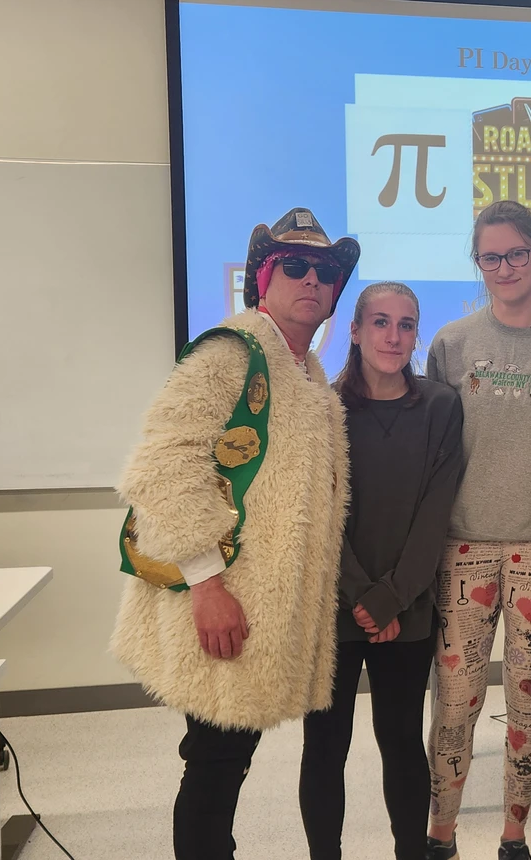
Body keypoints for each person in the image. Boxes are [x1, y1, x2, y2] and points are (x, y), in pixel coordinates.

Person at [111, 207, 356, 860]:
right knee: (215, 764)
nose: (312, 279)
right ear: (262, 279)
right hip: (223, 606)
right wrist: (206, 584)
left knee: (224, 763)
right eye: (295, 266)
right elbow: (160, 469)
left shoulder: (307, 376)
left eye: (325, 270)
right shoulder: (231, 352)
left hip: (262, 612)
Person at [425, 200, 531, 860]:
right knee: (455, 702)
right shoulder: (452, 344)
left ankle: (513, 834)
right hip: (463, 543)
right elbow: (430, 450)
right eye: (491, 256)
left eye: (517, 253)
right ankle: (441, 833)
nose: (505, 267)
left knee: (527, 695)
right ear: (478, 262)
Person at [300, 281, 463, 860]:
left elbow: (435, 512)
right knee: (324, 744)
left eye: (406, 324)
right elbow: (317, 511)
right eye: (380, 323)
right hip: (332, 606)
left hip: (407, 608)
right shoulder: (323, 407)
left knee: (400, 741)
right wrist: (361, 596)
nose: (394, 337)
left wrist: (392, 597)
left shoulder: (441, 406)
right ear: (354, 330)